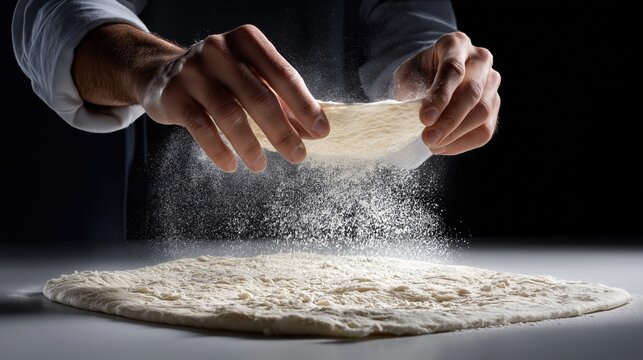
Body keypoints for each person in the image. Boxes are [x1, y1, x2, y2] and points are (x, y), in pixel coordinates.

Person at [13, 0, 500, 174]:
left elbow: (417, 39)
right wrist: (154, 68)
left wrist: (430, 91)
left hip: (342, 269)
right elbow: (50, 11)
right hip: (152, 252)